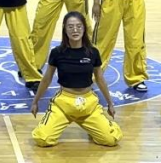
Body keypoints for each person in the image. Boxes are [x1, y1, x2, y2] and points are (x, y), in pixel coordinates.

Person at [29, 11, 121, 148]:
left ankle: (97, 127)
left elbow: (100, 79)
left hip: (88, 103)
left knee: (111, 139)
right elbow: (46, 79)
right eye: (70, 27)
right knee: (43, 139)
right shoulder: (57, 53)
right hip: (64, 103)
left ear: (84, 28)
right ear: (65, 29)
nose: (75, 30)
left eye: (79, 26)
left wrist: (110, 103)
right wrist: (35, 102)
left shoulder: (93, 52)